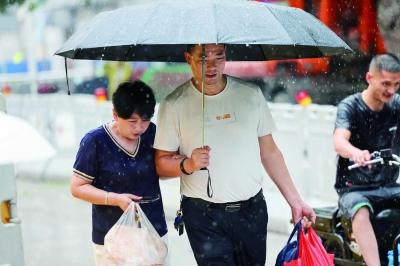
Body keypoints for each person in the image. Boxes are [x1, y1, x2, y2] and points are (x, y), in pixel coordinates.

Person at [153, 43, 316, 266]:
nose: (212, 65)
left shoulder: (250, 94)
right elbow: (161, 165)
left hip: (252, 212)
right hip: (204, 216)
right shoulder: (173, 104)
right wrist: (188, 164)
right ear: (188, 58)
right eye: (203, 58)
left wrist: (295, 202)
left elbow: (269, 152)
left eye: (219, 57)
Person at [70, 80, 171, 266]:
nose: (139, 128)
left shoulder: (152, 134)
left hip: (153, 231)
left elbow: (162, 172)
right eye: (132, 121)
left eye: (145, 121)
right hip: (112, 236)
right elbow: (77, 187)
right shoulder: (95, 141)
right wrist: (114, 199)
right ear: (115, 114)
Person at [334, 53, 400, 266]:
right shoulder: (350, 106)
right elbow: (339, 141)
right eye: (386, 84)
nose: (391, 90)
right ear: (369, 78)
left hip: (388, 185)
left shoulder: (396, 104)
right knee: (360, 210)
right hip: (355, 189)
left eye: (397, 84)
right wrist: (355, 152)